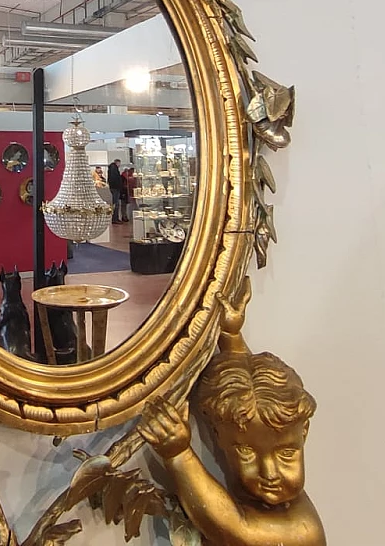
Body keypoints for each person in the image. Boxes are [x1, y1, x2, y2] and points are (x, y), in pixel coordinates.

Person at [138, 279, 324, 546]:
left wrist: (179, 454)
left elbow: (233, 529)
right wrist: (231, 338)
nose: (269, 473)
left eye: (286, 454)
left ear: (304, 432)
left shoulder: (302, 529)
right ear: (218, 436)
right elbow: (247, 405)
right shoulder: (269, 480)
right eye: (246, 452)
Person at [107, 159, 124, 224]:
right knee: (116, 203)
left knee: (115, 203)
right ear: (117, 163)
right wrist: (119, 186)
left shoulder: (111, 168)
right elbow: (115, 179)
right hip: (115, 188)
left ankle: (115, 218)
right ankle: (115, 218)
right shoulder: (114, 169)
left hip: (113, 187)